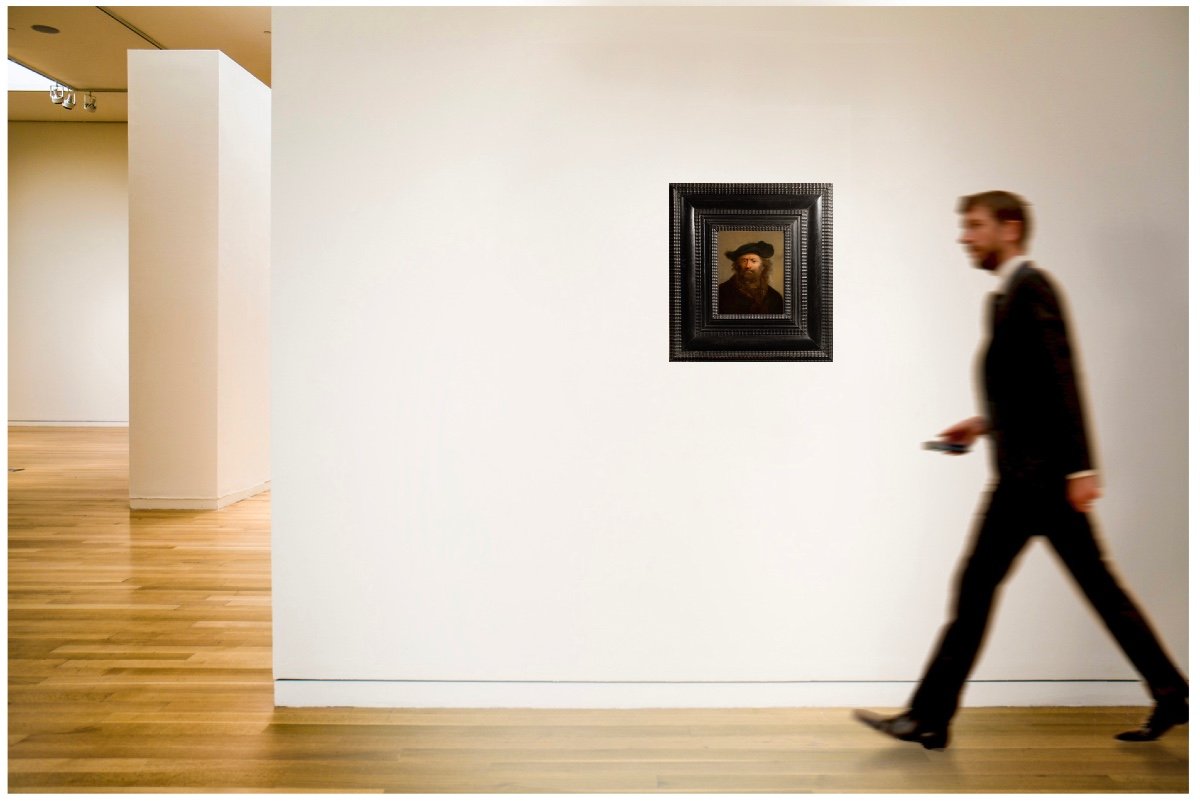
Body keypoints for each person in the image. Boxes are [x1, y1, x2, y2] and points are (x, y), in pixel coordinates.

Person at [853, 191, 1188, 750]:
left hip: (1038, 481)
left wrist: (1082, 468)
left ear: (1010, 229)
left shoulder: (1034, 288)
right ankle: (1173, 693)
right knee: (1094, 590)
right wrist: (983, 425)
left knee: (978, 590)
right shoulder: (1002, 299)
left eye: (975, 226)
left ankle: (929, 716)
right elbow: (1029, 390)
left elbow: (1063, 379)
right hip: (1028, 475)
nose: (965, 237)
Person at [718, 241, 784, 314]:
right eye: (744, 261)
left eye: (753, 261)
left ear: (763, 266)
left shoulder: (774, 297)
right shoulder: (721, 292)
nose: (748, 266)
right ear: (737, 266)